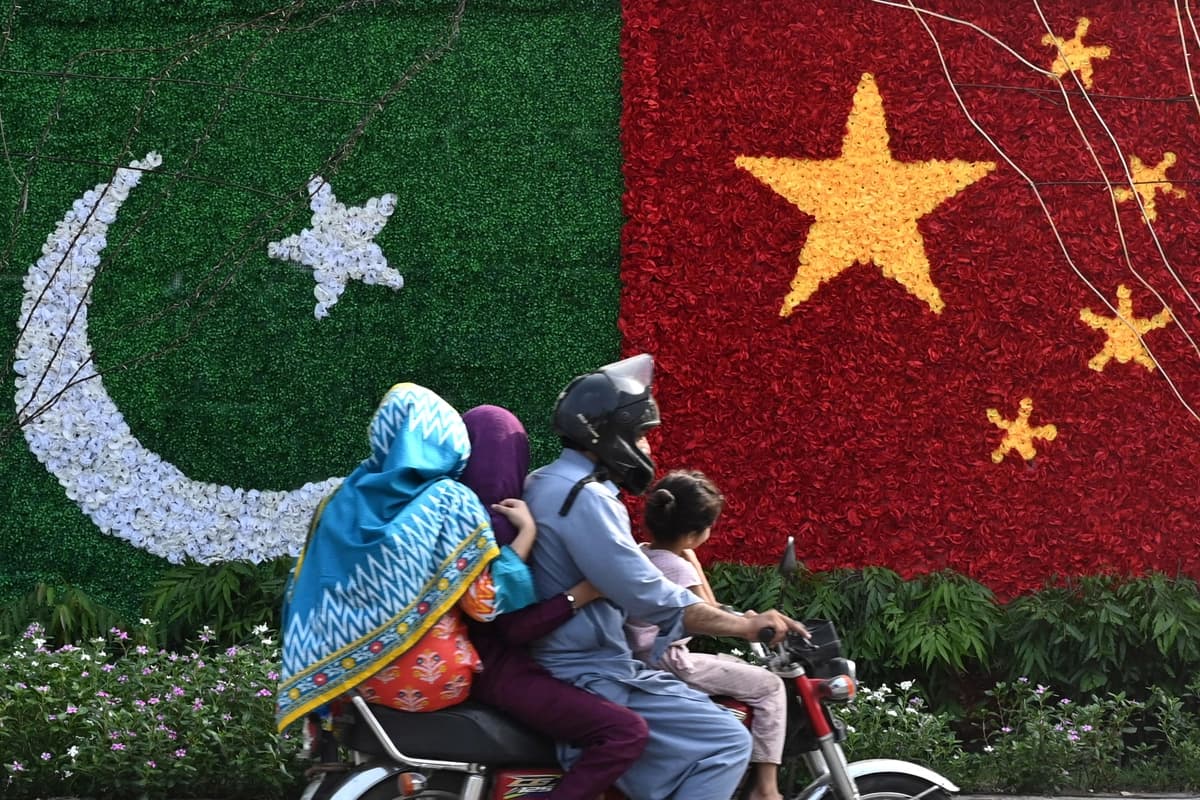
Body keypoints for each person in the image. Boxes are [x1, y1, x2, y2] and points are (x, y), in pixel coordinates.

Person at [523, 353, 808, 800]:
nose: (648, 448)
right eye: (640, 435)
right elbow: (653, 596)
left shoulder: (543, 482)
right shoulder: (586, 500)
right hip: (591, 672)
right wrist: (746, 624)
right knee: (727, 740)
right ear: (609, 436)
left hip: (577, 664)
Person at [276, 383, 530, 730]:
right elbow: (485, 605)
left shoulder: (339, 500)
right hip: (434, 682)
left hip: (347, 685)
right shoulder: (450, 502)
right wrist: (526, 535)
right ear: (449, 440)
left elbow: (301, 590)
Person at [459, 405, 649, 800]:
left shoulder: (451, 515)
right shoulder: (494, 526)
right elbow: (505, 622)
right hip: (495, 670)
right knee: (625, 732)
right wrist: (583, 592)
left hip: (477, 664)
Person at [629, 470, 787, 800]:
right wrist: (690, 555)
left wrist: (688, 551)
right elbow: (709, 611)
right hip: (668, 662)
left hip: (640, 660)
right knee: (770, 686)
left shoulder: (641, 553)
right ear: (694, 533)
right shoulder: (678, 567)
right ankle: (767, 789)